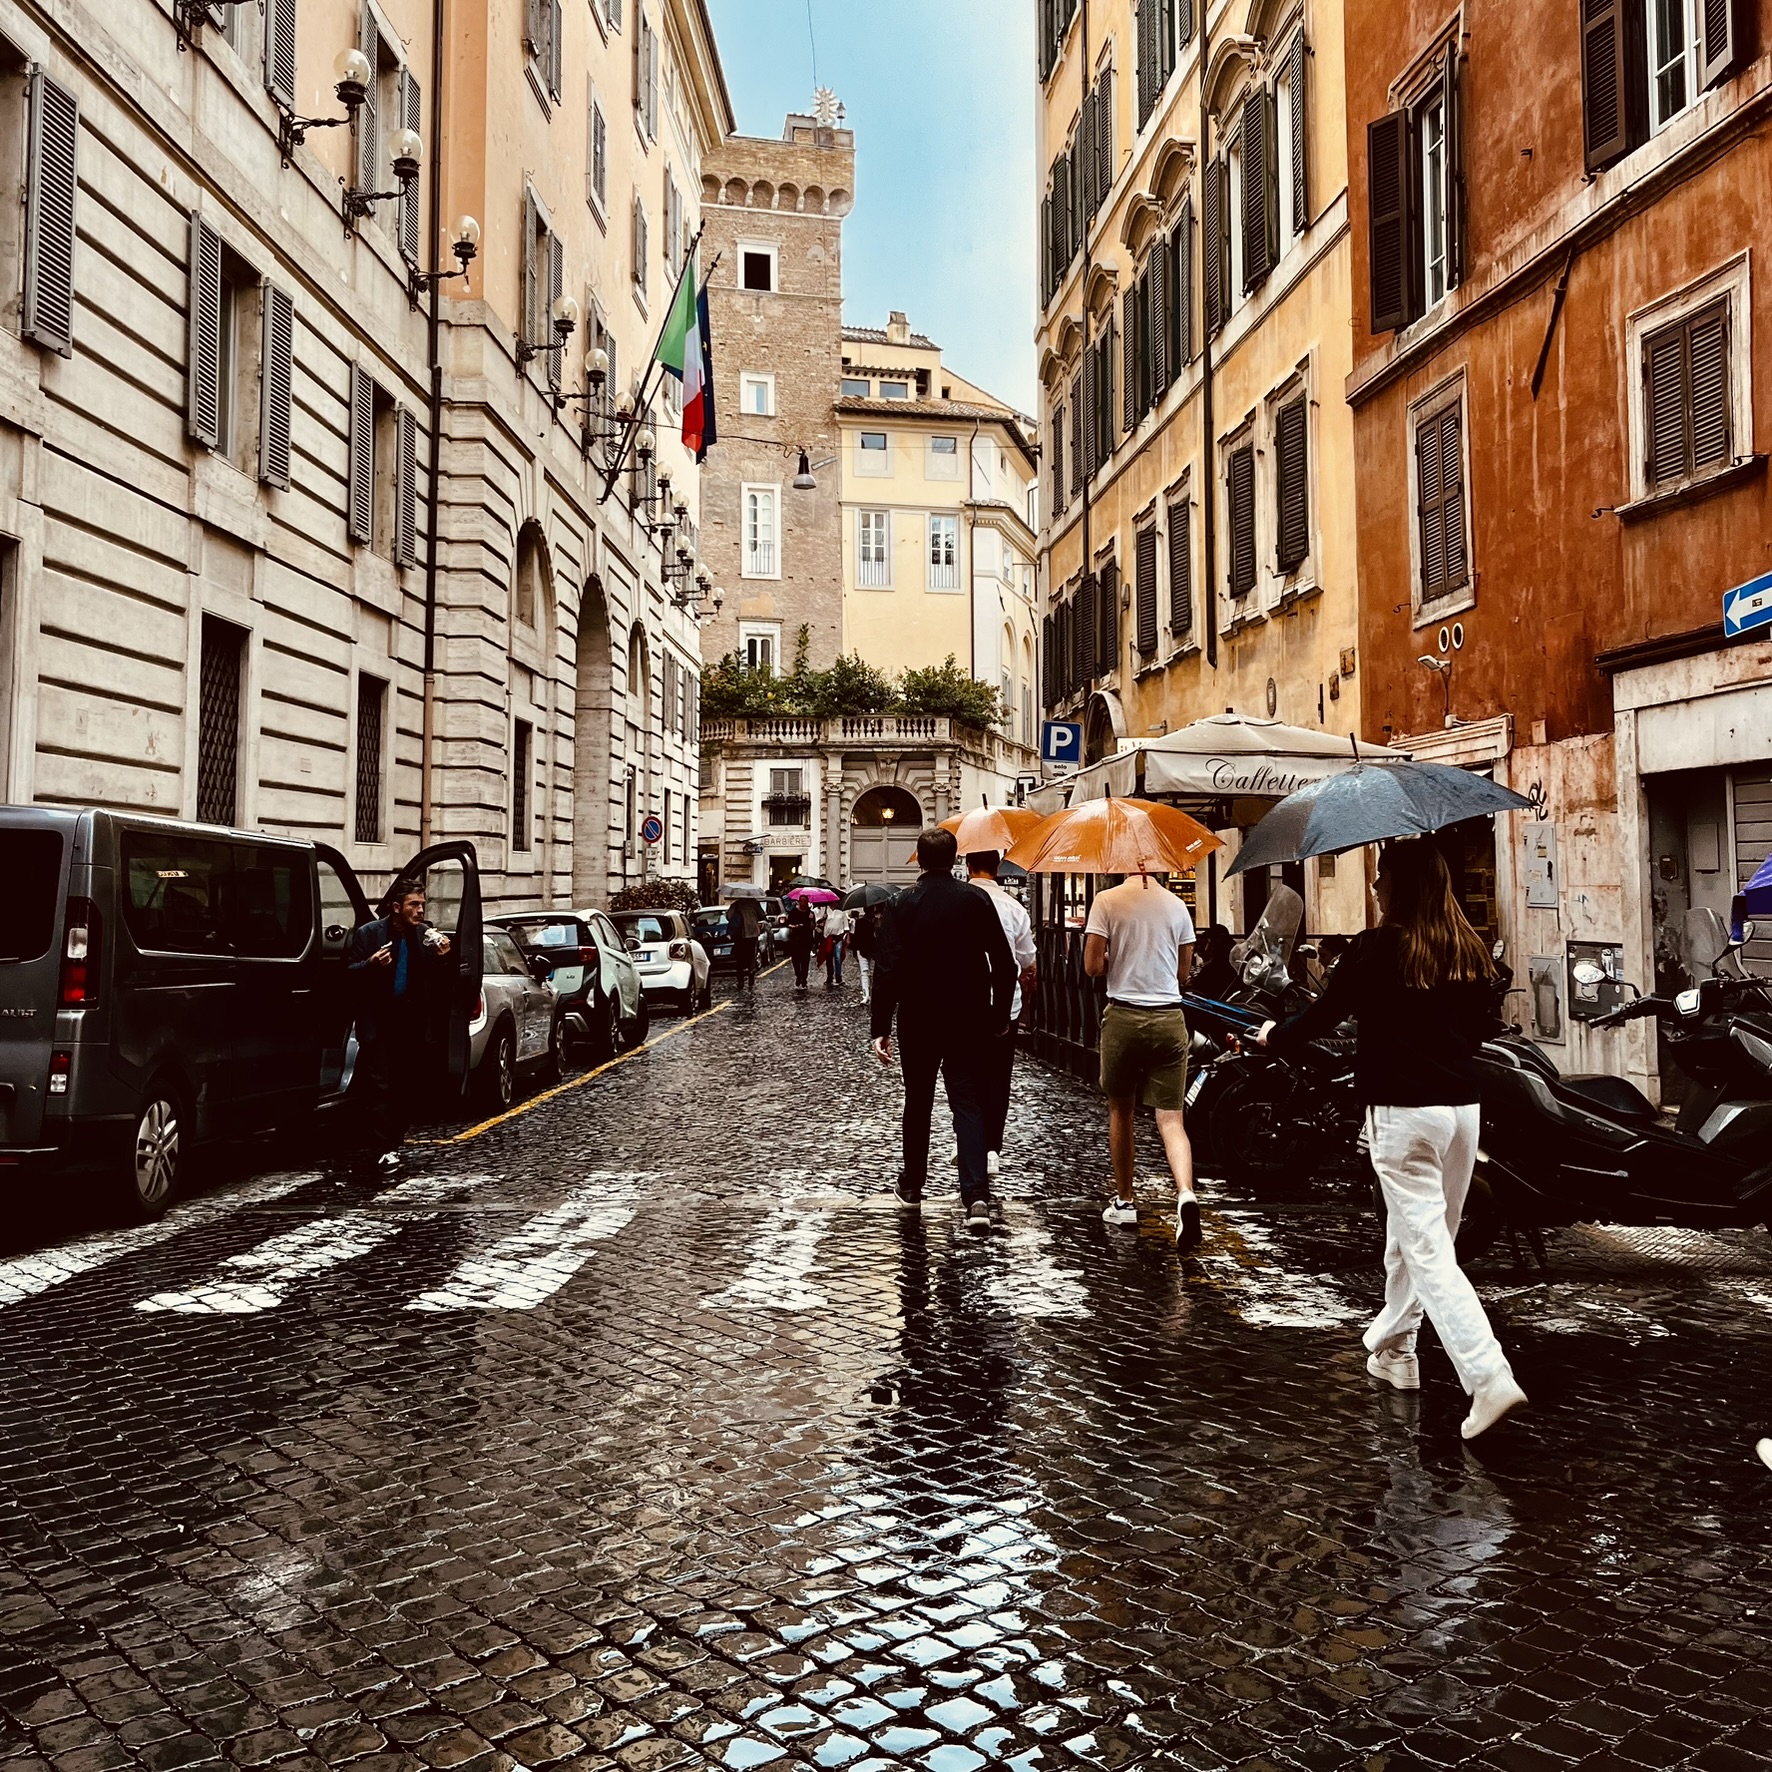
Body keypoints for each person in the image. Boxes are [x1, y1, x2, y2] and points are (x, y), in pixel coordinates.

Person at [1258, 839, 1528, 1441]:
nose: (1376, 887)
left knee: (1430, 1249)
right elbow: (1480, 1025)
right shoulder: (1468, 949)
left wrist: (1274, 1036)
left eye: (1382, 879)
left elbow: (1321, 1018)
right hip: (1461, 1112)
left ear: (1399, 889)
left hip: (1403, 1115)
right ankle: (1396, 1350)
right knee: (1415, 1237)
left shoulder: (1375, 950)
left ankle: (1487, 1376)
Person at [872, 828, 1016, 1231]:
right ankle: (975, 1197)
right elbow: (1004, 965)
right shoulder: (975, 899)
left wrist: (880, 1026)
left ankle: (913, 1187)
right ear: (955, 859)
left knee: (917, 1102)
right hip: (968, 1017)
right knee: (967, 1102)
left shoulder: (901, 903)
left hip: (918, 1019)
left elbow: (887, 969)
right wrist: (999, 1014)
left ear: (918, 859)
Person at [1084, 873, 1201, 1249]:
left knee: (1121, 1110)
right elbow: (1184, 973)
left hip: (1125, 1016)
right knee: (1171, 1118)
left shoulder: (1106, 901)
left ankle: (1125, 1201)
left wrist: (1111, 954)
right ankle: (1185, 1193)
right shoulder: (1177, 905)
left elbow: (1091, 966)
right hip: (1169, 1018)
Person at [347, 879, 453, 1171]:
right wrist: (370, 964)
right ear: (396, 908)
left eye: (422, 904)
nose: (420, 910)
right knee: (380, 1085)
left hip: (411, 1023)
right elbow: (348, 974)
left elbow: (438, 984)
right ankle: (382, 1147)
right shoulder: (369, 933)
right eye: (413, 905)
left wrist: (443, 960)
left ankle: (394, 1141)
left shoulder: (424, 936)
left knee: (406, 1085)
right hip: (379, 1021)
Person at [966, 852, 1038, 1180]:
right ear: (997, 869)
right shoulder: (1014, 908)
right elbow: (1027, 961)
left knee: (966, 1076)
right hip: (1005, 1007)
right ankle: (992, 1147)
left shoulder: (959, 903)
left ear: (967, 866)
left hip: (964, 1007)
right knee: (998, 1077)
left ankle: (970, 1138)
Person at [1190, 923, 1239, 999]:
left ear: (1213, 944)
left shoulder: (1210, 970)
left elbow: (1197, 992)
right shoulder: (1237, 966)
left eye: (1207, 943)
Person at [851, 902, 886, 1005]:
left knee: (865, 973)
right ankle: (867, 995)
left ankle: (867, 995)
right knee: (867, 972)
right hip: (868, 950)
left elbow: (856, 938)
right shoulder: (871, 922)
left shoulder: (874, 922)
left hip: (868, 950)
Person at [728, 896, 763, 989]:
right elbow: (762, 915)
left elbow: (729, 916)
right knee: (751, 955)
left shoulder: (736, 904)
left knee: (739, 958)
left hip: (740, 934)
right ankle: (751, 973)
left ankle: (740, 980)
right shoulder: (754, 903)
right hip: (752, 933)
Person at [784, 894, 817, 990]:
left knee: (805, 961)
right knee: (796, 960)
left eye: (805, 901)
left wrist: (811, 919)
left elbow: (812, 927)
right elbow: (788, 924)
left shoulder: (810, 913)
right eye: (801, 901)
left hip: (806, 940)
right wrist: (794, 926)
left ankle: (804, 979)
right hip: (795, 940)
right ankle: (798, 975)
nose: (803, 903)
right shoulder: (793, 912)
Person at [822, 901, 849, 989]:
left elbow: (846, 925)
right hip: (828, 937)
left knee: (837, 957)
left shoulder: (841, 912)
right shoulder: (826, 911)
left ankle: (838, 976)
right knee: (829, 957)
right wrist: (823, 918)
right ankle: (829, 977)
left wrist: (846, 934)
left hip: (838, 937)